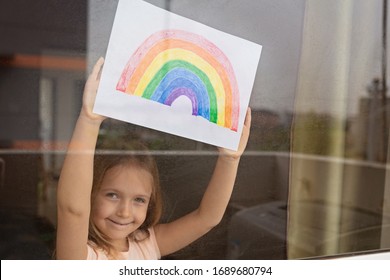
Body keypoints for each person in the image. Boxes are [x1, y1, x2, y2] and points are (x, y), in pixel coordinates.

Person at [56, 57, 252, 260]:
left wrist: (230, 161)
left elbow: (207, 218)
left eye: (139, 200)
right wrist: (89, 121)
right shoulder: (80, 257)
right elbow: (73, 210)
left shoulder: (148, 243)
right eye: (112, 195)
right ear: (90, 193)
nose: (124, 212)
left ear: (150, 202)